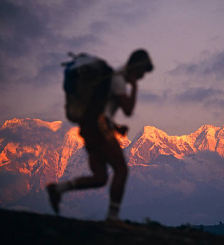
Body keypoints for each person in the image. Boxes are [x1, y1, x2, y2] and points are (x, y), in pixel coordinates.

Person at [46, 49, 154, 225]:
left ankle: (57, 189)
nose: (142, 77)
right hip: (99, 129)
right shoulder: (118, 79)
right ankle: (113, 217)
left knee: (100, 178)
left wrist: (116, 126)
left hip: (88, 129)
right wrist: (134, 87)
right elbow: (127, 110)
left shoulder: (111, 79)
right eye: (141, 73)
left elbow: (103, 108)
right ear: (136, 68)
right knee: (121, 170)